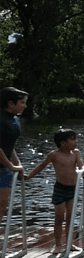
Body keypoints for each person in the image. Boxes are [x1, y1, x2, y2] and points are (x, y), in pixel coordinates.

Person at [26, 129, 84, 254]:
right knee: (59, 217)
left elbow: (80, 164)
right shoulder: (55, 154)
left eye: (76, 139)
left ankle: (69, 243)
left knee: (70, 217)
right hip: (60, 188)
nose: (76, 142)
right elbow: (42, 166)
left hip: (72, 189)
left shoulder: (76, 153)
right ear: (63, 143)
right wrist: (29, 176)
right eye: (73, 139)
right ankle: (58, 244)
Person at [0, 87, 29, 222]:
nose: (25, 105)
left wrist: (16, 163)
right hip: (4, 166)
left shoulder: (15, 120)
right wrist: (11, 166)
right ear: (11, 103)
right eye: (22, 102)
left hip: (4, 167)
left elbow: (9, 144)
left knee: (2, 205)